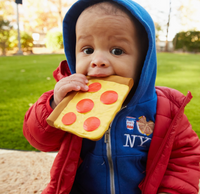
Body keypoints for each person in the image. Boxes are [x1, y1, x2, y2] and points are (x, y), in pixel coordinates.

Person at [23, 0, 200, 194]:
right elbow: (40, 141)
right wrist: (55, 104)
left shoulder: (166, 109)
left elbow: (185, 157)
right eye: (87, 50)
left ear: (144, 61)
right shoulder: (69, 100)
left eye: (117, 51)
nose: (97, 61)